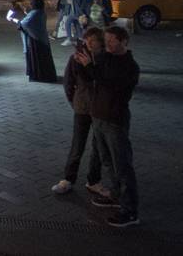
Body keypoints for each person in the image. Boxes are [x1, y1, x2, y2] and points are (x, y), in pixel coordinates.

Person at [76, 25, 141, 227]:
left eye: (112, 40)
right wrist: (82, 61)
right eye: (107, 40)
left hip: (115, 119)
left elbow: (112, 85)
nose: (108, 44)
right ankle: (114, 195)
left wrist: (90, 67)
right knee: (106, 160)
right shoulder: (106, 58)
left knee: (122, 165)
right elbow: (91, 78)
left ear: (124, 42)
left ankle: (130, 211)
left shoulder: (129, 66)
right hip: (99, 116)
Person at [52, 27, 108, 195]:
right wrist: (74, 101)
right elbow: (68, 83)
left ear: (101, 43)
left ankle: (93, 180)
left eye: (93, 41)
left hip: (101, 109)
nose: (89, 44)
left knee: (98, 146)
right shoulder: (76, 59)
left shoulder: (105, 59)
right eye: (87, 41)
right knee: (78, 144)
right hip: (83, 107)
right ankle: (68, 178)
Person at [14, 0, 57, 83]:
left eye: (31, 4)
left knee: (37, 58)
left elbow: (25, 23)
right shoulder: (41, 12)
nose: (30, 5)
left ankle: (39, 76)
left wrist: (15, 20)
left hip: (35, 40)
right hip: (42, 38)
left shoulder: (35, 13)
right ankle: (46, 75)